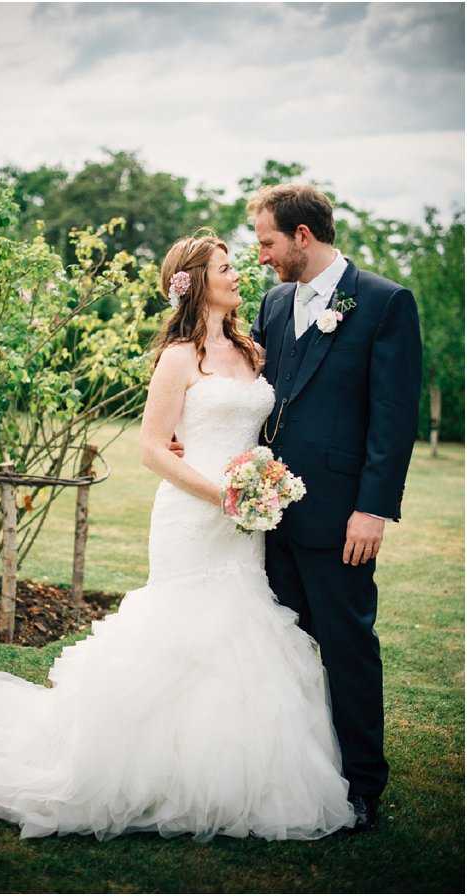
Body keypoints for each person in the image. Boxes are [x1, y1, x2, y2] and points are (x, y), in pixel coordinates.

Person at [0, 232, 355, 842]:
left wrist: (260, 487)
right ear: (196, 282)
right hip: (193, 517)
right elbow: (152, 449)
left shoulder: (252, 350)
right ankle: (146, 767)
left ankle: (225, 771)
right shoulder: (178, 357)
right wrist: (222, 496)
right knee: (184, 633)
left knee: (241, 626)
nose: (239, 275)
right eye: (226, 268)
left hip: (244, 522)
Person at [244, 185, 422, 831]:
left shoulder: (383, 302)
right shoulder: (273, 302)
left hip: (342, 516)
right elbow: (253, 391)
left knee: (346, 647)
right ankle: (294, 773)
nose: (261, 256)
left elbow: (393, 418)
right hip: (268, 513)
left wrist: (373, 509)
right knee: (280, 646)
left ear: (302, 236)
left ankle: (363, 784)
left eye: (267, 242)